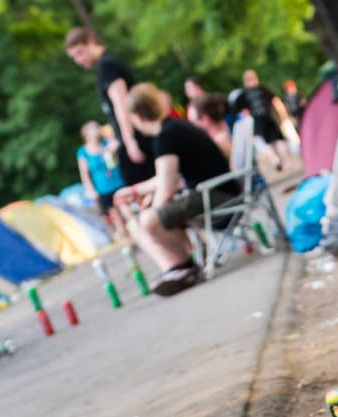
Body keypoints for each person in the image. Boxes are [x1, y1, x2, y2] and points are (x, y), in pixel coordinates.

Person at [112, 83, 237, 296]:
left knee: (149, 220)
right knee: (155, 216)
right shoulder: (173, 128)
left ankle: (183, 267)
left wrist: (155, 214)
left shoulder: (166, 137)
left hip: (216, 197)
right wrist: (136, 190)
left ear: (138, 116)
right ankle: (181, 266)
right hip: (219, 192)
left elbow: (166, 185)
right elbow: (164, 177)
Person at [63, 28, 154, 190]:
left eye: (80, 53)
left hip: (137, 139)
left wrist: (129, 141)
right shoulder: (107, 63)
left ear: (90, 41)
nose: (78, 60)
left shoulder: (107, 65)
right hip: (133, 137)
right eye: (74, 57)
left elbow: (122, 103)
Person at [228, 69, 290, 169]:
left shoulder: (243, 95)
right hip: (269, 118)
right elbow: (276, 102)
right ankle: (285, 162)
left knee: (262, 143)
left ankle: (275, 160)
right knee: (278, 140)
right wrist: (283, 115)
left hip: (257, 122)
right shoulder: (263, 89)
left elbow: (236, 111)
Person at [76, 121, 125, 214]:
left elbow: (116, 160)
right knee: (115, 217)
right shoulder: (82, 152)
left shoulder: (107, 143)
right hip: (103, 189)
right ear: (86, 134)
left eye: (97, 126)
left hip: (118, 183)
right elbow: (84, 174)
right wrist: (91, 191)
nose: (97, 128)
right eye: (93, 127)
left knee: (126, 211)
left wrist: (109, 136)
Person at [187, 93, 233, 160]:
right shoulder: (226, 133)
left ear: (206, 120)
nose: (191, 126)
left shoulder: (220, 143)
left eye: (193, 121)